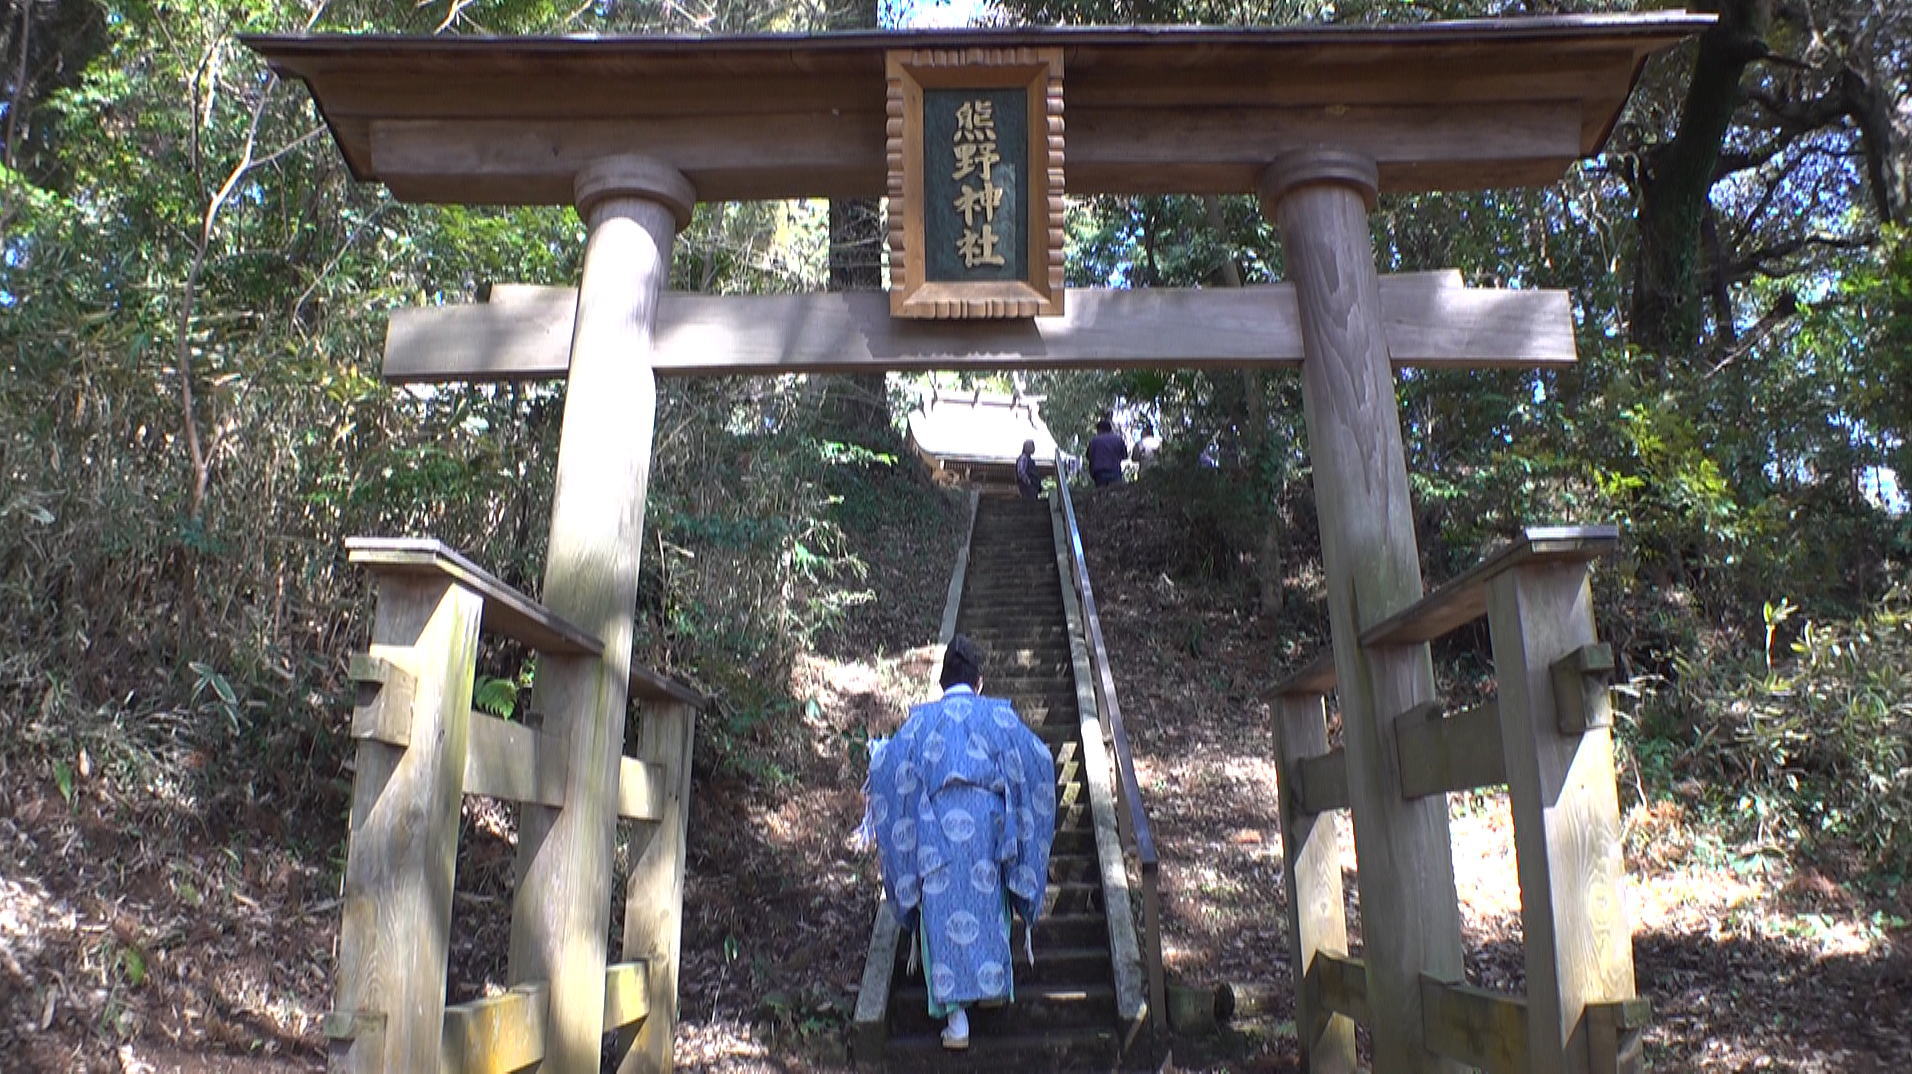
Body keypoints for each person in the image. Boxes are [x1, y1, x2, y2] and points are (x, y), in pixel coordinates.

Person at [867, 635, 1056, 1050]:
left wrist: (876, 753)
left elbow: (886, 765)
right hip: (989, 833)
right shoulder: (997, 717)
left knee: (942, 917)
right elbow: (1039, 758)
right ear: (979, 682)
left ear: (941, 683)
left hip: (935, 835)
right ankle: (989, 990)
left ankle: (957, 1023)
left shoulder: (921, 721)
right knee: (988, 908)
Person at [1087, 417, 1128, 486]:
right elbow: (1124, 456)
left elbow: (1089, 456)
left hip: (1099, 472)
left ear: (1099, 430)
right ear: (1110, 429)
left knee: (1101, 493)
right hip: (1114, 471)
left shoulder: (1094, 441)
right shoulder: (1118, 439)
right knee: (1115, 492)